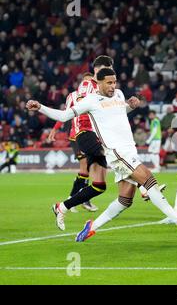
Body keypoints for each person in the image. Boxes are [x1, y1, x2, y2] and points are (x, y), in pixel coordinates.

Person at [26, 68, 177, 241]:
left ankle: (91, 227)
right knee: (149, 180)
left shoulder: (119, 95)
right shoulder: (91, 100)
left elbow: (119, 113)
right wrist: (40, 107)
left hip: (129, 149)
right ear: (98, 82)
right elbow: (64, 115)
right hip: (117, 152)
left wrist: (130, 106)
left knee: (125, 200)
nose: (113, 86)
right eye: (109, 83)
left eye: (114, 82)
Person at [47, 55, 114, 231]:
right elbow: (66, 113)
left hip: (96, 135)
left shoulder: (107, 89)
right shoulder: (85, 88)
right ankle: (145, 187)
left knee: (99, 185)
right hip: (83, 134)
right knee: (113, 154)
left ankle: (63, 206)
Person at [48, 72, 98, 213]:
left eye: (90, 82)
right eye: (86, 81)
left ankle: (75, 199)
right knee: (85, 167)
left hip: (90, 135)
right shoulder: (72, 96)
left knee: (88, 168)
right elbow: (64, 114)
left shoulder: (95, 96)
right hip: (76, 136)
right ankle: (77, 200)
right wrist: (55, 129)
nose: (88, 85)